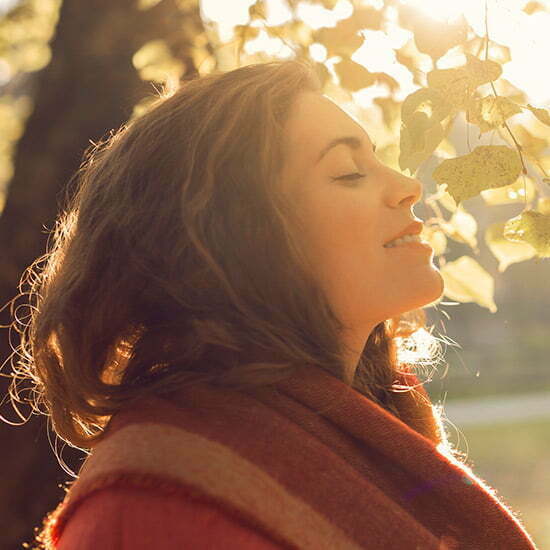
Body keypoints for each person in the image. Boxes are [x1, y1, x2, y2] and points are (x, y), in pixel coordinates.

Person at [9, 59, 536, 548]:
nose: (408, 186)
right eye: (349, 171)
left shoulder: (385, 432)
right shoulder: (157, 500)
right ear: (236, 237)